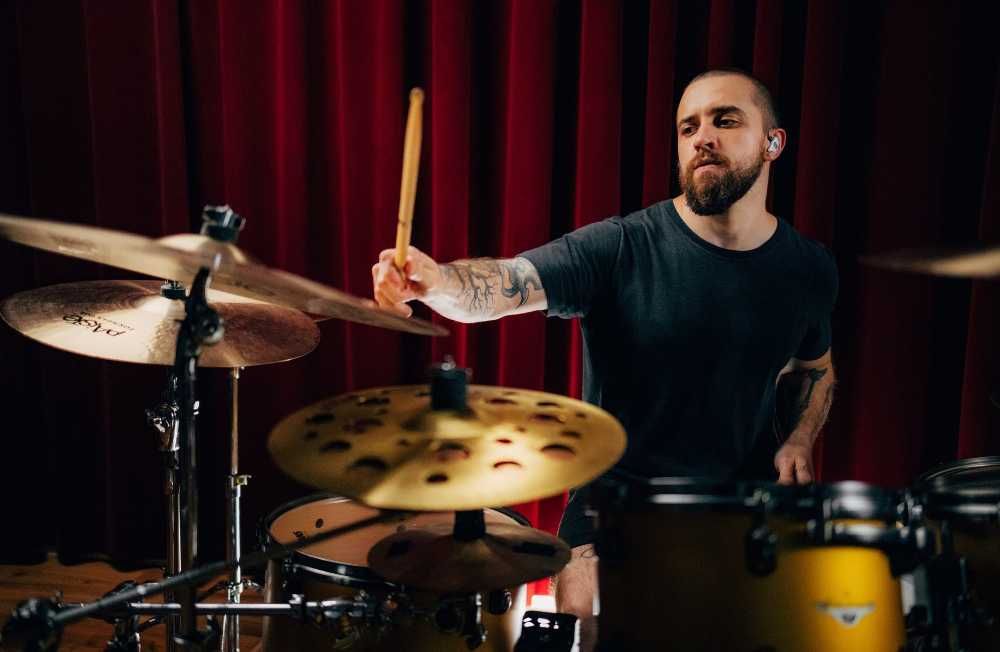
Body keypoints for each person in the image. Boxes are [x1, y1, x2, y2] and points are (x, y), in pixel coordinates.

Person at [371, 68, 837, 651]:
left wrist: (798, 439)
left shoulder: (808, 269)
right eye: (687, 126)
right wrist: (435, 280)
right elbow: (504, 281)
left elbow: (814, 370)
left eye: (725, 120)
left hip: (735, 502)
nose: (701, 138)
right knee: (591, 625)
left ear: (773, 144)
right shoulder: (621, 247)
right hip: (613, 502)